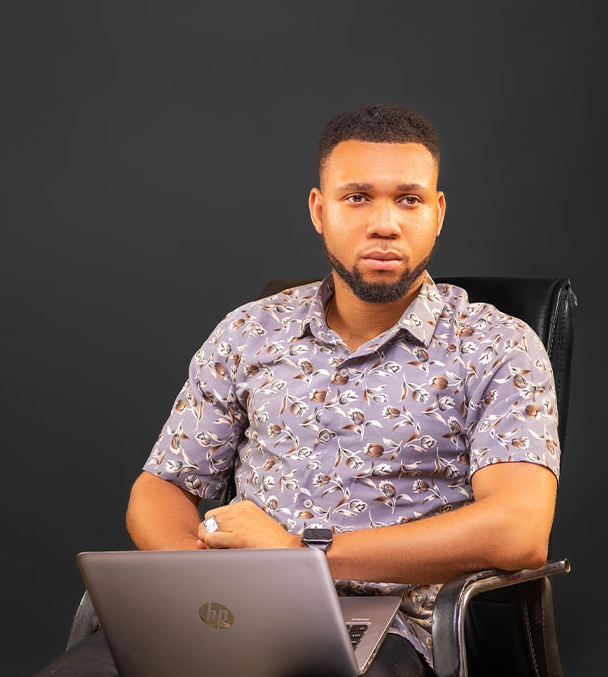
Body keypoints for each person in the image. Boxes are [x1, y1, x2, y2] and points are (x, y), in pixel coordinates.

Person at [37, 103, 560, 677]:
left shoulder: (498, 345)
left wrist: (300, 556)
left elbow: (518, 530)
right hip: (234, 608)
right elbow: (161, 487)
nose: (385, 223)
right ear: (319, 209)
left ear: (437, 213)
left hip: (390, 627)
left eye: (408, 200)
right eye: (357, 197)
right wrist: (203, 583)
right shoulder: (251, 330)